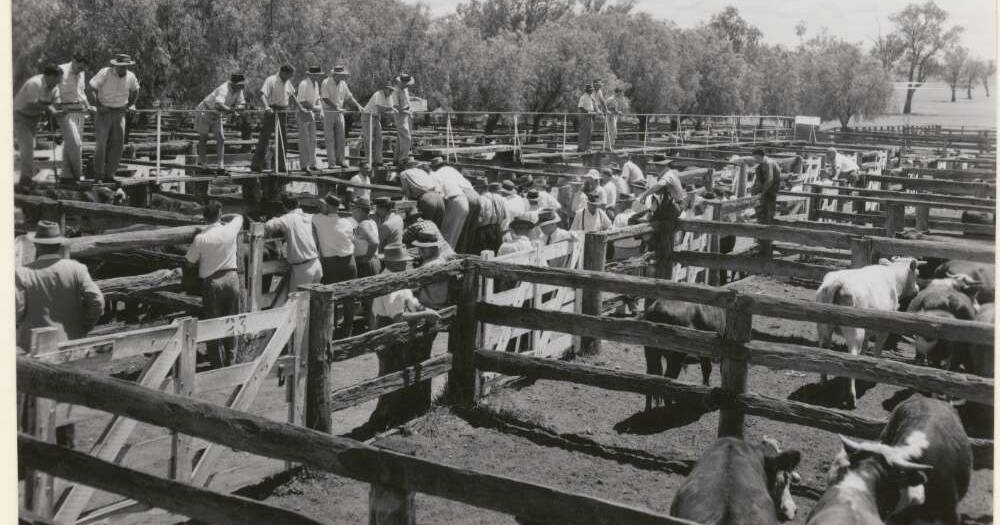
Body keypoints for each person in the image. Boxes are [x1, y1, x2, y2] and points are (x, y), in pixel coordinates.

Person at [367, 243, 441, 431]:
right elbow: (398, 316)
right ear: (393, 262)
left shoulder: (399, 278)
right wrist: (425, 315)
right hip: (387, 329)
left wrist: (424, 309)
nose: (406, 264)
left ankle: (394, 416)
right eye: (403, 262)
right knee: (391, 373)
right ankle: (380, 419)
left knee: (399, 370)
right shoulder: (389, 282)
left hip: (395, 329)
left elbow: (411, 301)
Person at [15, 221, 104, 350]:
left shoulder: (22, 273)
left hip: (34, 347)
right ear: (59, 245)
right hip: (71, 343)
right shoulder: (77, 269)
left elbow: (17, 310)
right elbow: (97, 300)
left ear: (36, 245)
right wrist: (85, 325)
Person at [184, 201, 243, 368]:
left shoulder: (201, 238)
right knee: (232, 318)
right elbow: (239, 216)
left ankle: (217, 361)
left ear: (204, 217)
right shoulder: (229, 230)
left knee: (213, 321)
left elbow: (189, 262)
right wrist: (223, 217)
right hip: (232, 277)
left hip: (212, 282)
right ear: (219, 214)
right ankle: (231, 358)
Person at [88, 54, 139, 182]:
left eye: (125, 66)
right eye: (120, 66)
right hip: (104, 112)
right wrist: (98, 106)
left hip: (120, 112)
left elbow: (136, 90)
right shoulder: (105, 73)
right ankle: (98, 175)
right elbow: (90, 89)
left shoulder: (131, 76)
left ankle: (109, 175)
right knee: (101, 144)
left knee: (118, 144)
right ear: (115, 65)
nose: (123, 68)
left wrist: (132, 104)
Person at [312, 193, 357, 337]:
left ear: (327, 206)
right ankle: (347, 330)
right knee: (349, 296)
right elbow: (352, 238)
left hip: (330, 263)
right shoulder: (348, 222)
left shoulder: (318, 219)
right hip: (348, 261)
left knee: (330, 296)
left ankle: (330, 329)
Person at [265, 193, 322, 303]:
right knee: (313, 302)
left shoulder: (288, 218)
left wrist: (275, 218)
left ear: (285, 207)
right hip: (316, 264)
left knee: (296, 303)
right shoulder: (309, 217)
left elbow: (269, 225)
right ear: (298, 203)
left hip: (302, 269)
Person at [14, 65, 63, 187]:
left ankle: (28, 175)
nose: (57, 84)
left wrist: (57, 108)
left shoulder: (54, 86)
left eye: (59, 81)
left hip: (35, 118)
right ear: (49, 76)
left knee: (32, 146)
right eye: (56, 81)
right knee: (27, 146)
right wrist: (49, 109)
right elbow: (32, 103)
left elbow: (56, 100)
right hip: (21, 116)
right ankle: (25, 179)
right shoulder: (34, 84)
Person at [251, 64, 300, 173]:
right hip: (272, 110)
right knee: (265, 138)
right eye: (289, 75)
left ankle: (281, 166)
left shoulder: (287, 82)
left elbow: (292, 95)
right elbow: (262, 94)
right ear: (283, 72)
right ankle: (256, 165)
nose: (290, 78)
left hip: (283, 111)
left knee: (283, 138)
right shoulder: (271, 80)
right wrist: (266, 107)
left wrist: (300, 107)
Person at [194, 73, 247, 168]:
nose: (243, 86)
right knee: (203, 138)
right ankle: (203, 163)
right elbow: (219, 104)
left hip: (217, 113)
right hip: (205, 110)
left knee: (221, 138)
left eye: (243, 85)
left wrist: (236, 108)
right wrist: (231, 110)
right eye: (241, 85)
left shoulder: (239, 90)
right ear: (234, 84)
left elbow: (243, 104)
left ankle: (220, 165)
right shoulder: (224, 89)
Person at [431, 157, 479, 253]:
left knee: (451, 232)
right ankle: (463, 253)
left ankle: (446, 255)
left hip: (463, 197)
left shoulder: (437, 174)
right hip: (475, 195)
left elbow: (439, 193)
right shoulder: (453, 170)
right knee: (467, 233)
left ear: (434, 167)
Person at [57, 55, 94, 182]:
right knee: (76, 143)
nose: (81, 70)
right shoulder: (61, 70)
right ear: (73, 61)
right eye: (79, 67)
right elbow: (52, 89)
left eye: (83, 68)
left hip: (80, 111)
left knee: (70, 144)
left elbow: (82, 92)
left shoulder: (81, 73)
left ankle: (66, 176)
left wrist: (88, 107)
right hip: (65, 111)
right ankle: (79, 176)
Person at [320, 65, 363, 168]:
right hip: (329, 112)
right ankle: (332, 163)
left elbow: (349, 96)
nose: (343, 77)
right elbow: (325, 98)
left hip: (339, 112)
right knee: (330, 138)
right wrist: (336, 107)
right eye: (341, 75)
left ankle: (341, 160)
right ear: (335, 74)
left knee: (341, 138)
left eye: (343, 75)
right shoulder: (326, 82)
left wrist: (358, 105)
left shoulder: (343, 83)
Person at [398, 156, 445, 227]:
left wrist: (409, 206)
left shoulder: (404, 173)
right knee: (437, 229)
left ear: (405, 165)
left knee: (426, 228)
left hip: (427, 199)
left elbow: (406, 192)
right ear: (414, 164)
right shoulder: (422, 171)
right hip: (439, 198)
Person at [412, 231, 452, 309]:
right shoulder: (442, 260)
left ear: (433, 248)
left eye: (423, 248)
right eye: (420, 248)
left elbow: (414, 287)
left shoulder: (427, 266)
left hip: (428, 305)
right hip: (441, 302)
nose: (420, 251)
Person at [296, 66, 325, 172]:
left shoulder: (316, 84)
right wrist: (314, 108)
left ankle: (313, 163)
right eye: (316, 75)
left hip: (311, 114)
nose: (317, 77)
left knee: (313, 139)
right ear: (310, 75)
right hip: (303, 113)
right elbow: (301, 101)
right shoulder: (304, 84)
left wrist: (320, 109)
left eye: (318, 75)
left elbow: (318, 99)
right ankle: (305, 165)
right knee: (305, 140)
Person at [362, 83, 395, 166]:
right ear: (384, 89)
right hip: (368, 116)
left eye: (392, 90)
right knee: (368, 139)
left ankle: (378, 160)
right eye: (389, 89)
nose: (391, 91)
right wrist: (391, 109)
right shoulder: (378, 94)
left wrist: (391, 110)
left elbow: (391, 108)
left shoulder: (389, 96)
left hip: (376, 117)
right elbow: (381, 108)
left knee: (379, 139)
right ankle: (369, 160)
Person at [351, 198, 382, 280]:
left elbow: (375, 242)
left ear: (359, 210)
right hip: (371, 262)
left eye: (353, 209)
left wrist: (365, 259)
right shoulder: (371, 222)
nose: (352, 212)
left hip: (367, 266)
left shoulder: (364, 225)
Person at [474, 180, 507, 254]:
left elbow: (479, 217)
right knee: (495, 254)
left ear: (480, 188)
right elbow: (505, 216)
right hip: (497, 230)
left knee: (482, 254)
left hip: (484, 231)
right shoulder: (501, 199)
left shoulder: (481, 199)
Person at [750, 148, 781, 224]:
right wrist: (754, 188)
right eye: (754, 158)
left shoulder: (768, 163)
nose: (755, 160)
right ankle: (760, 219)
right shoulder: (761, 164)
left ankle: (768, 223)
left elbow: (770, 180)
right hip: (765, 187)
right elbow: (759, 179)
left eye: (756, 158)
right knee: (758, 202)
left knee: (769, 208)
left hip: (772, 188)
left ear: (761, 156)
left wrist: (762, 193)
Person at [391, 73, 415, 163]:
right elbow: (396, 107)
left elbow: (406, 100)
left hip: (407, 115)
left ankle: (396, 158)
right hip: (400, 116)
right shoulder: (395, 91)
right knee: (406, 137)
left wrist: (414, 98)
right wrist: (406, 111)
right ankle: (403, 158)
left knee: (400, 138)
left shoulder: (405, 90)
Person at [576, 84, 597, 153]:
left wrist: (594, 111)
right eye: (591, 89)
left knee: (589, 132)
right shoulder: (583, 97)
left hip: (590, 116)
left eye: (592, 89)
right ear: (587, 90)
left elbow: (593, 105)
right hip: (585, 116)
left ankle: (587, 148)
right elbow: (580, 107)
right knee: (583, 132)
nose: (592, 90)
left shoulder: (590, 97)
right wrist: (587, 112)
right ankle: (581, 148)